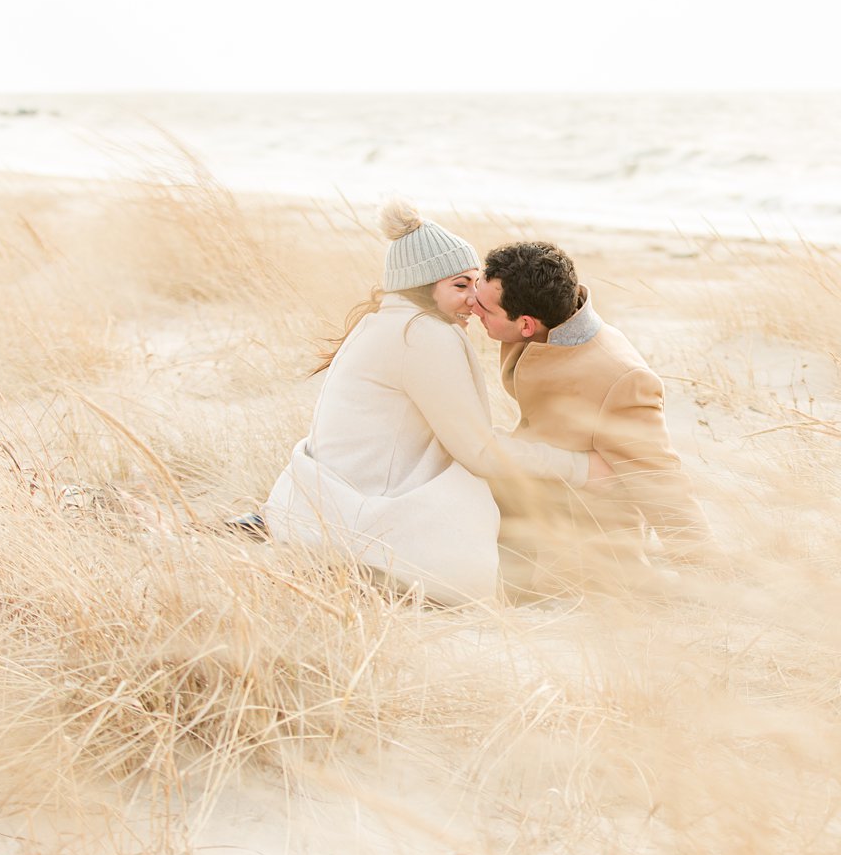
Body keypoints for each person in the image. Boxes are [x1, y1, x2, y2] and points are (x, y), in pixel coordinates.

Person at [262, 203, 607, 606]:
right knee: (519, 495)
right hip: (366, 514)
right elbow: (480, 453)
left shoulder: (388, 321)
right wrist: (581, 468)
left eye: (475, 285)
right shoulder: (421, 334)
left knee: (518, 486)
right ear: (422, 288)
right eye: (460, 286)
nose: (473, 300)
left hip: (330, 500)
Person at [467, 240, 712, 594]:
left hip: (580, 545)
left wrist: (709, 575)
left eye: (486, 308)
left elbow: (660, 482)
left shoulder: (623, 379)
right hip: (530, 499)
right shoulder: (545, 320)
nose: (474, 307)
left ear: (524, 325)